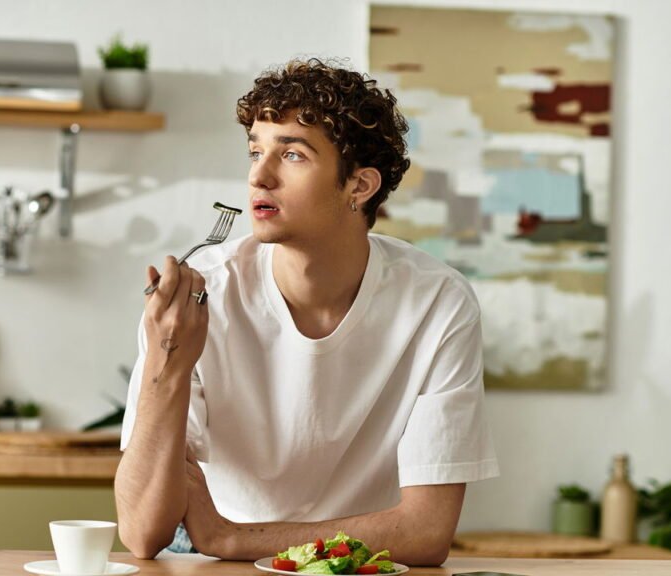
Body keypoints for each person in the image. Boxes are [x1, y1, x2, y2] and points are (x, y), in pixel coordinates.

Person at [114, 58, 499, 565]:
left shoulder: (437, 302)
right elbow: (142, 533)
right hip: (211, 562)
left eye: (292, 155)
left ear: (358, 187)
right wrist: (168, 363)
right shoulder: (202, 294)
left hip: (356, 564)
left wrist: (233, 537)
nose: (259, 175)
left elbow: (425, 533)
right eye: (256, 151)